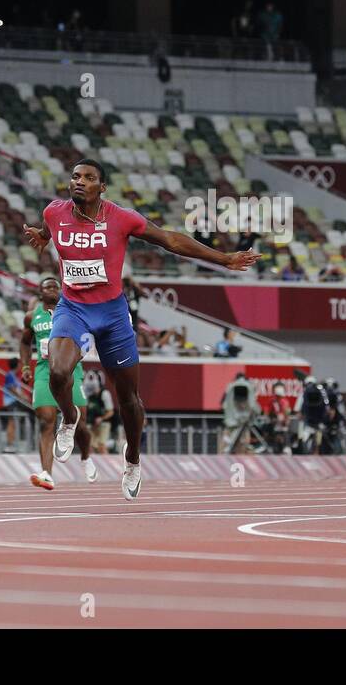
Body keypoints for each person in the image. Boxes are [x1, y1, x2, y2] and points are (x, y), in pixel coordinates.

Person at [24, 159, 260, 500]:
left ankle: (132, 457)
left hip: (113, 315)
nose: (79, 182)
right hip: (73, 308)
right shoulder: (54, 212)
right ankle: (70, 418)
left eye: (89, 178)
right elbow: (49, 229)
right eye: (75, 176)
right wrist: (41, 237)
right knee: (58, 372)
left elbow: (171, 240)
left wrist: (224, 259)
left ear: (101, 188)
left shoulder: (121, 218)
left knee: (129, 400)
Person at [20, 276, 96, 489]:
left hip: (72, 370)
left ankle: (85, 457)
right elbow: (25, 342)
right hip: (44, 372)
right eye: (48, 287)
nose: (53, 289)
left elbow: (87, 339)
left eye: (56, 286)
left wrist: (75, 353)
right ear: (40, 292)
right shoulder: (31, 317)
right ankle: (46, 473)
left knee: (80, 424)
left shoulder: (73, 312)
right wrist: (25, 366)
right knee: (46, 420)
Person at [2, 357, 25, 452]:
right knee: (11, 423)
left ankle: (11, 443)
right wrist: (22, 397)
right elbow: (12, 389)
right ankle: (9, 444)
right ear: (17, 365)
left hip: (14, 401)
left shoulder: (14, 376)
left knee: (13, 423)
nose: (20, 366)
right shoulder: (10, 375)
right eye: (19, 364)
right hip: (11, 402)